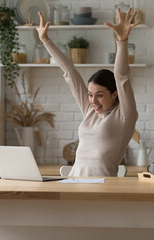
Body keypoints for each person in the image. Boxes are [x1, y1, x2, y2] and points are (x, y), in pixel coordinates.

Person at [36, 8, 139, 176]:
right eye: (90, 95)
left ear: (114, 94)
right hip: (74, 183)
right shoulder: (90, 110)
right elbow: (70, 72)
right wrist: (45, 40)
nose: (93, 101)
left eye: (99, 95)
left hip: (103, 188)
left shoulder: (125, 116)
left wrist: (122, 41)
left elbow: (122, 78)